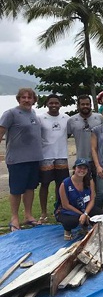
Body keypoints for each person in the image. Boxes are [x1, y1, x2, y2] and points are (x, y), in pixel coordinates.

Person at [0, 88, 43, 231]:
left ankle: (28, 216)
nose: (26, 100)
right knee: (16, 190)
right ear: (18, 99)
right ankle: (14, 218)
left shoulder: (33, 113)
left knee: (30, 188)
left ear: (33, 100)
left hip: (34, 158)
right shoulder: (10, 113)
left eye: (29, 97)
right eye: (23, 97)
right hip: (17, 159)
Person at [38, 94, 70, 224]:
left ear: (60, 104)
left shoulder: (66, 118)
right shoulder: (40, 118)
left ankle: (59, 209)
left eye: (56, 103)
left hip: (61, 155)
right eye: (51, 103)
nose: (54, 105)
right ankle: (43, 212)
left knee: (60, 184)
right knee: (45, 184)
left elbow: (68, 134)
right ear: (47, 104)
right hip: (46, 156)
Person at [56, 158, 103, 241]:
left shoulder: (89, 181)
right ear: (74, 168)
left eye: (84, 168)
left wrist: (85, 213)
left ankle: (86, 226)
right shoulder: (65, 183)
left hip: (85, 208)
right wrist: (83, 214)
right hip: (69, 210)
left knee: (102, 216)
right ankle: (67, 230)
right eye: (79, 167)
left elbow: (92, 199)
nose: (82, 170)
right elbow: (65, 205)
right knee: (72, 221)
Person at [67, 95, 103, 176]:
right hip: (81, 159)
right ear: (78, 106)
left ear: (91, 105)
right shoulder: (71, 120)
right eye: (82, 104)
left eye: (87, 104)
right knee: (83, 186)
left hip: (99, 159)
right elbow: (64, 137)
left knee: (100, 186)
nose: (85, 106)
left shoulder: (99, 117)